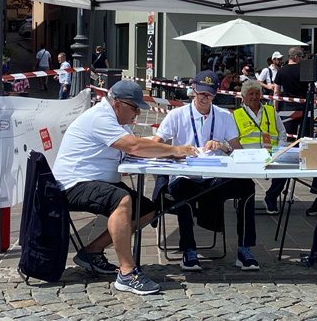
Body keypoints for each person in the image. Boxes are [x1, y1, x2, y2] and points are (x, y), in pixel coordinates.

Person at [52, 80, 194, 295]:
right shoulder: (101, 117)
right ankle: (127, 273)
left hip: (94, 181)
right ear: (117, 104)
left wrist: (167, 152)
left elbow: (134, 148)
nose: (137, 113)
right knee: (122, 200)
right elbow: (133, 146)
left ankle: (91, 252)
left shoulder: (118, 122)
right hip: (74, 183)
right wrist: (173, 149)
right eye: (134, 108)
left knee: (146, 210)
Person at [152, 70, 259, 271]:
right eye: (201, 93)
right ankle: (189, 250)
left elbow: (238, 150)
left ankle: (245, 249)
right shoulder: (177, 115)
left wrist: (222, 146)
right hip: (186, 175)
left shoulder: (224, 116)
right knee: (181, 188)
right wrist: (175, 151)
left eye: (209, 95)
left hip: (213, 176)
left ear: (215, 94)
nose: (204, 98)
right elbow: (155, 145)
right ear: (193, 91)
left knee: (247, 187)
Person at [273, 47, 317, 216]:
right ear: (296, 56)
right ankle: (304, 164)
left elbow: (276, 91)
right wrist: (316, 104)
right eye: (302, 56)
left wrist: (276, 110)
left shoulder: (281, 70)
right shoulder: (305, 69)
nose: (303, 58)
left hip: (287, 107)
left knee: (286, 143)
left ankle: (285, 169)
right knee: (306, 143)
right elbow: (312, 90)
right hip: (305, 107)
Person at [234, 79, 287, 214]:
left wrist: (280, 151)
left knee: (285, 171)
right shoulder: (236, 115)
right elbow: (232, 138)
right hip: (247, 155)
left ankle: (271, 197)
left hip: (271, 154)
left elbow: (282, 132)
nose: (255, 97)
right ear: (244, 97)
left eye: (257, 93)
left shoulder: (270, 111)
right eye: (251, 94)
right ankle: (245, 199)